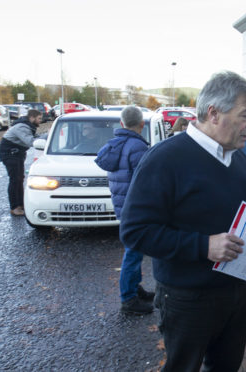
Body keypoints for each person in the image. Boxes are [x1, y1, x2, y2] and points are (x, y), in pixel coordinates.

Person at [119, 71, 246, 372]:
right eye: (245, 116)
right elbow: (135, 232)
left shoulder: (239, 158)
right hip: (187, 296)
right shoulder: (165, 159)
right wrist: (203, 245)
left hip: (236, 292)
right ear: (214, 113)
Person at [95, 106, 154, 315]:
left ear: (121, 124)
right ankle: (129, 299)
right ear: (141, 125)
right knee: (133, 252)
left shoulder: (114, 145)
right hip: (135, 207)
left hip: (122, 206)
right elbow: (146, 181)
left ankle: (134, 288)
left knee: (134, 249)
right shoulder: (137, 147)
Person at [0, 109, 42, 216]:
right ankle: (15, 207)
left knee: (19, 179)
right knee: (15, 180)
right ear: (32, 118)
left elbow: (33, 138)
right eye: (39, 118)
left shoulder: (28, 126)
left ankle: (21, 204)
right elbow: (31, 141)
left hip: (16, 154)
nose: (41, 120)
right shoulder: (22, 127)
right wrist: (46, 140)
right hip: (10, 154)